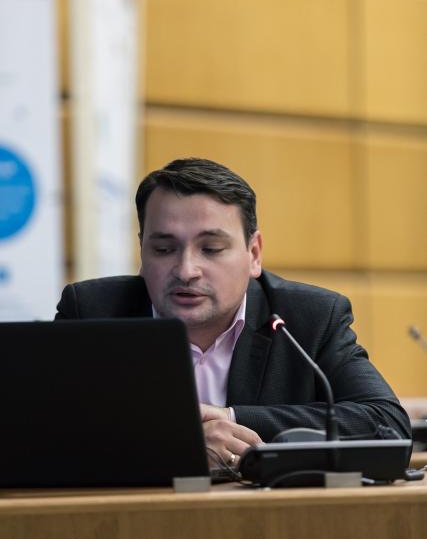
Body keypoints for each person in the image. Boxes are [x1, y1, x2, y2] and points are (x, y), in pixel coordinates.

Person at [56, 157, 411, 466]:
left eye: (210, 249)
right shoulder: (91, 311)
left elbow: (386, 424)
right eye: (164, 249)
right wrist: (182, 444)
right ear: (142, 250)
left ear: (253, 253)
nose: (186, 270)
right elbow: (36, 430)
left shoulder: (308, 317)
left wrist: (232, 419)